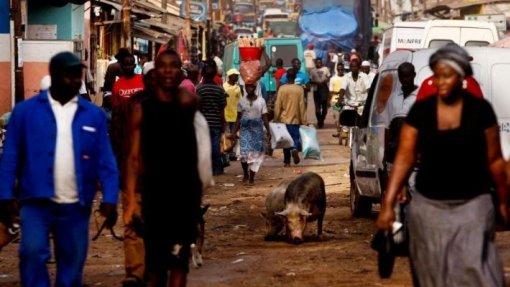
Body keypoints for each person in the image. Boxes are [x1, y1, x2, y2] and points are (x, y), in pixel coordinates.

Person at [376, 44, 508, 287]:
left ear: (461, 76)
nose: (441, 81)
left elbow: (495, 160)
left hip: (474, 206)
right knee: (431, 275)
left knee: (477, 271)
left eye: (447, 75)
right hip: (429, 209)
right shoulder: (421, 111)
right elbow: (404, 158)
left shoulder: (480, 111)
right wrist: (388, 203)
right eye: (437, 75)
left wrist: (503, 200)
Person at [0, 51, 119, 286]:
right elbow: (10, 157)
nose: (76, 81)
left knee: (72, 266)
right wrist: (4, 195)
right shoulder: (26, 113)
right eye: (70, 75)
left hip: (76, 205)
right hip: (35, 202)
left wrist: (110, 198)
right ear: (54, 76)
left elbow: (105, 160)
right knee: (32, 254)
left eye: (78, 76)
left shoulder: (93, 115)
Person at [124, 49, 202, 287]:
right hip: (154, 197)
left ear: (181, 72)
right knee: (156, 268)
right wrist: (132, 202)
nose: (168, 71)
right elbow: (133, 158)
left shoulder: (190, 104)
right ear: (155, 72)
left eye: (173, 66)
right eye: (163, 66)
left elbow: (199, 154)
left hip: (184, 198)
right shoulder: (142, 109)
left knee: (179, 264)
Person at [232, 82, 271, 185]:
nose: (250, 88)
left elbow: (265, 117)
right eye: (247, 86)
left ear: (255, 88)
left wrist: (268, 131)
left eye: (252, 86)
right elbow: (238, 118)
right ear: (245, 88)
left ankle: (252, 177)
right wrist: (233, 132)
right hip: (245, 130)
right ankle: (245, 173)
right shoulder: (241, 102)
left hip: (257, 131)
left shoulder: (261, 101)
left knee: (257, 155)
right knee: (243, 155)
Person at [196, 64, 227, 176]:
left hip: (203, 123)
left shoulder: (199, 89)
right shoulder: (219, 90)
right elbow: (222, 109)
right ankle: (217, 169)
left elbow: (197, 108)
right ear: (214, 75)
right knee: (215, 146)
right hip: (216, 123)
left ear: (203, 75)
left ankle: (206, 169)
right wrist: (223, 124)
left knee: (204, 147)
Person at [273, 68, 307, 167]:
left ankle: (287, 162)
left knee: (285, 142)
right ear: (295, 77)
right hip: (295, 119)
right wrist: (304, 120)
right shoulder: (299, 89)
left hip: (284, 119)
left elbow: (278, 104)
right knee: (295, 138)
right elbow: (302, 105)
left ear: (286, 77)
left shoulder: (282, 89)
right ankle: (295, 149)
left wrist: (276, 117)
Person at [310, 58, 331, 128]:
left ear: (322, 63)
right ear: (315, 63)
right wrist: (317, 82)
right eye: (317, 62)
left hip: (324, 89)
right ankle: (319, 121)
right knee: (317, 107)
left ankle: (322, 119)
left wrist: (325, 81)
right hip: (316, 89)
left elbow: (329, 77)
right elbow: (310, 80)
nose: (319, 64)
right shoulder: (313, 71)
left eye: (320, 62)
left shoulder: (325, 69)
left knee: (325, 108)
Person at [223, 68, 242, 134]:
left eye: (237, 76)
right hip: (225, 115)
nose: (237, 77)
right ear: (230, 76)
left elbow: (240, 101)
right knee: (227, 135)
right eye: (236, 75)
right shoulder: (224, 86)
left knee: (234, 134)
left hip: (235, 115)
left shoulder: (238, 88)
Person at [329, 64, 345, 138]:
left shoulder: (347, 78)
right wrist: (339, 92)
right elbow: (331, 91)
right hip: (335, 101)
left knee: (344, 116)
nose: (340, 71)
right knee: (337, 118)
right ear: (337, 70)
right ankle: (339, 131)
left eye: (342, 69)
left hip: (345, 101)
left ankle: (344, 132)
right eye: (339, 69)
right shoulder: (333, 79)